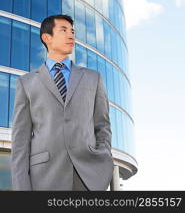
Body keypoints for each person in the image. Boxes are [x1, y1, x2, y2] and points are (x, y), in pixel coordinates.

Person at [11, 14, 114, 191]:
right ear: (47, 38)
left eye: (73, 31)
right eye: (64, 30)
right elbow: (20, 141)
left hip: (88, 178)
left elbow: (102, 126)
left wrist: (103, 158)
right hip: (44, 179)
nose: (71, 35)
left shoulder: (93, 78)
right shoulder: (26, 83)